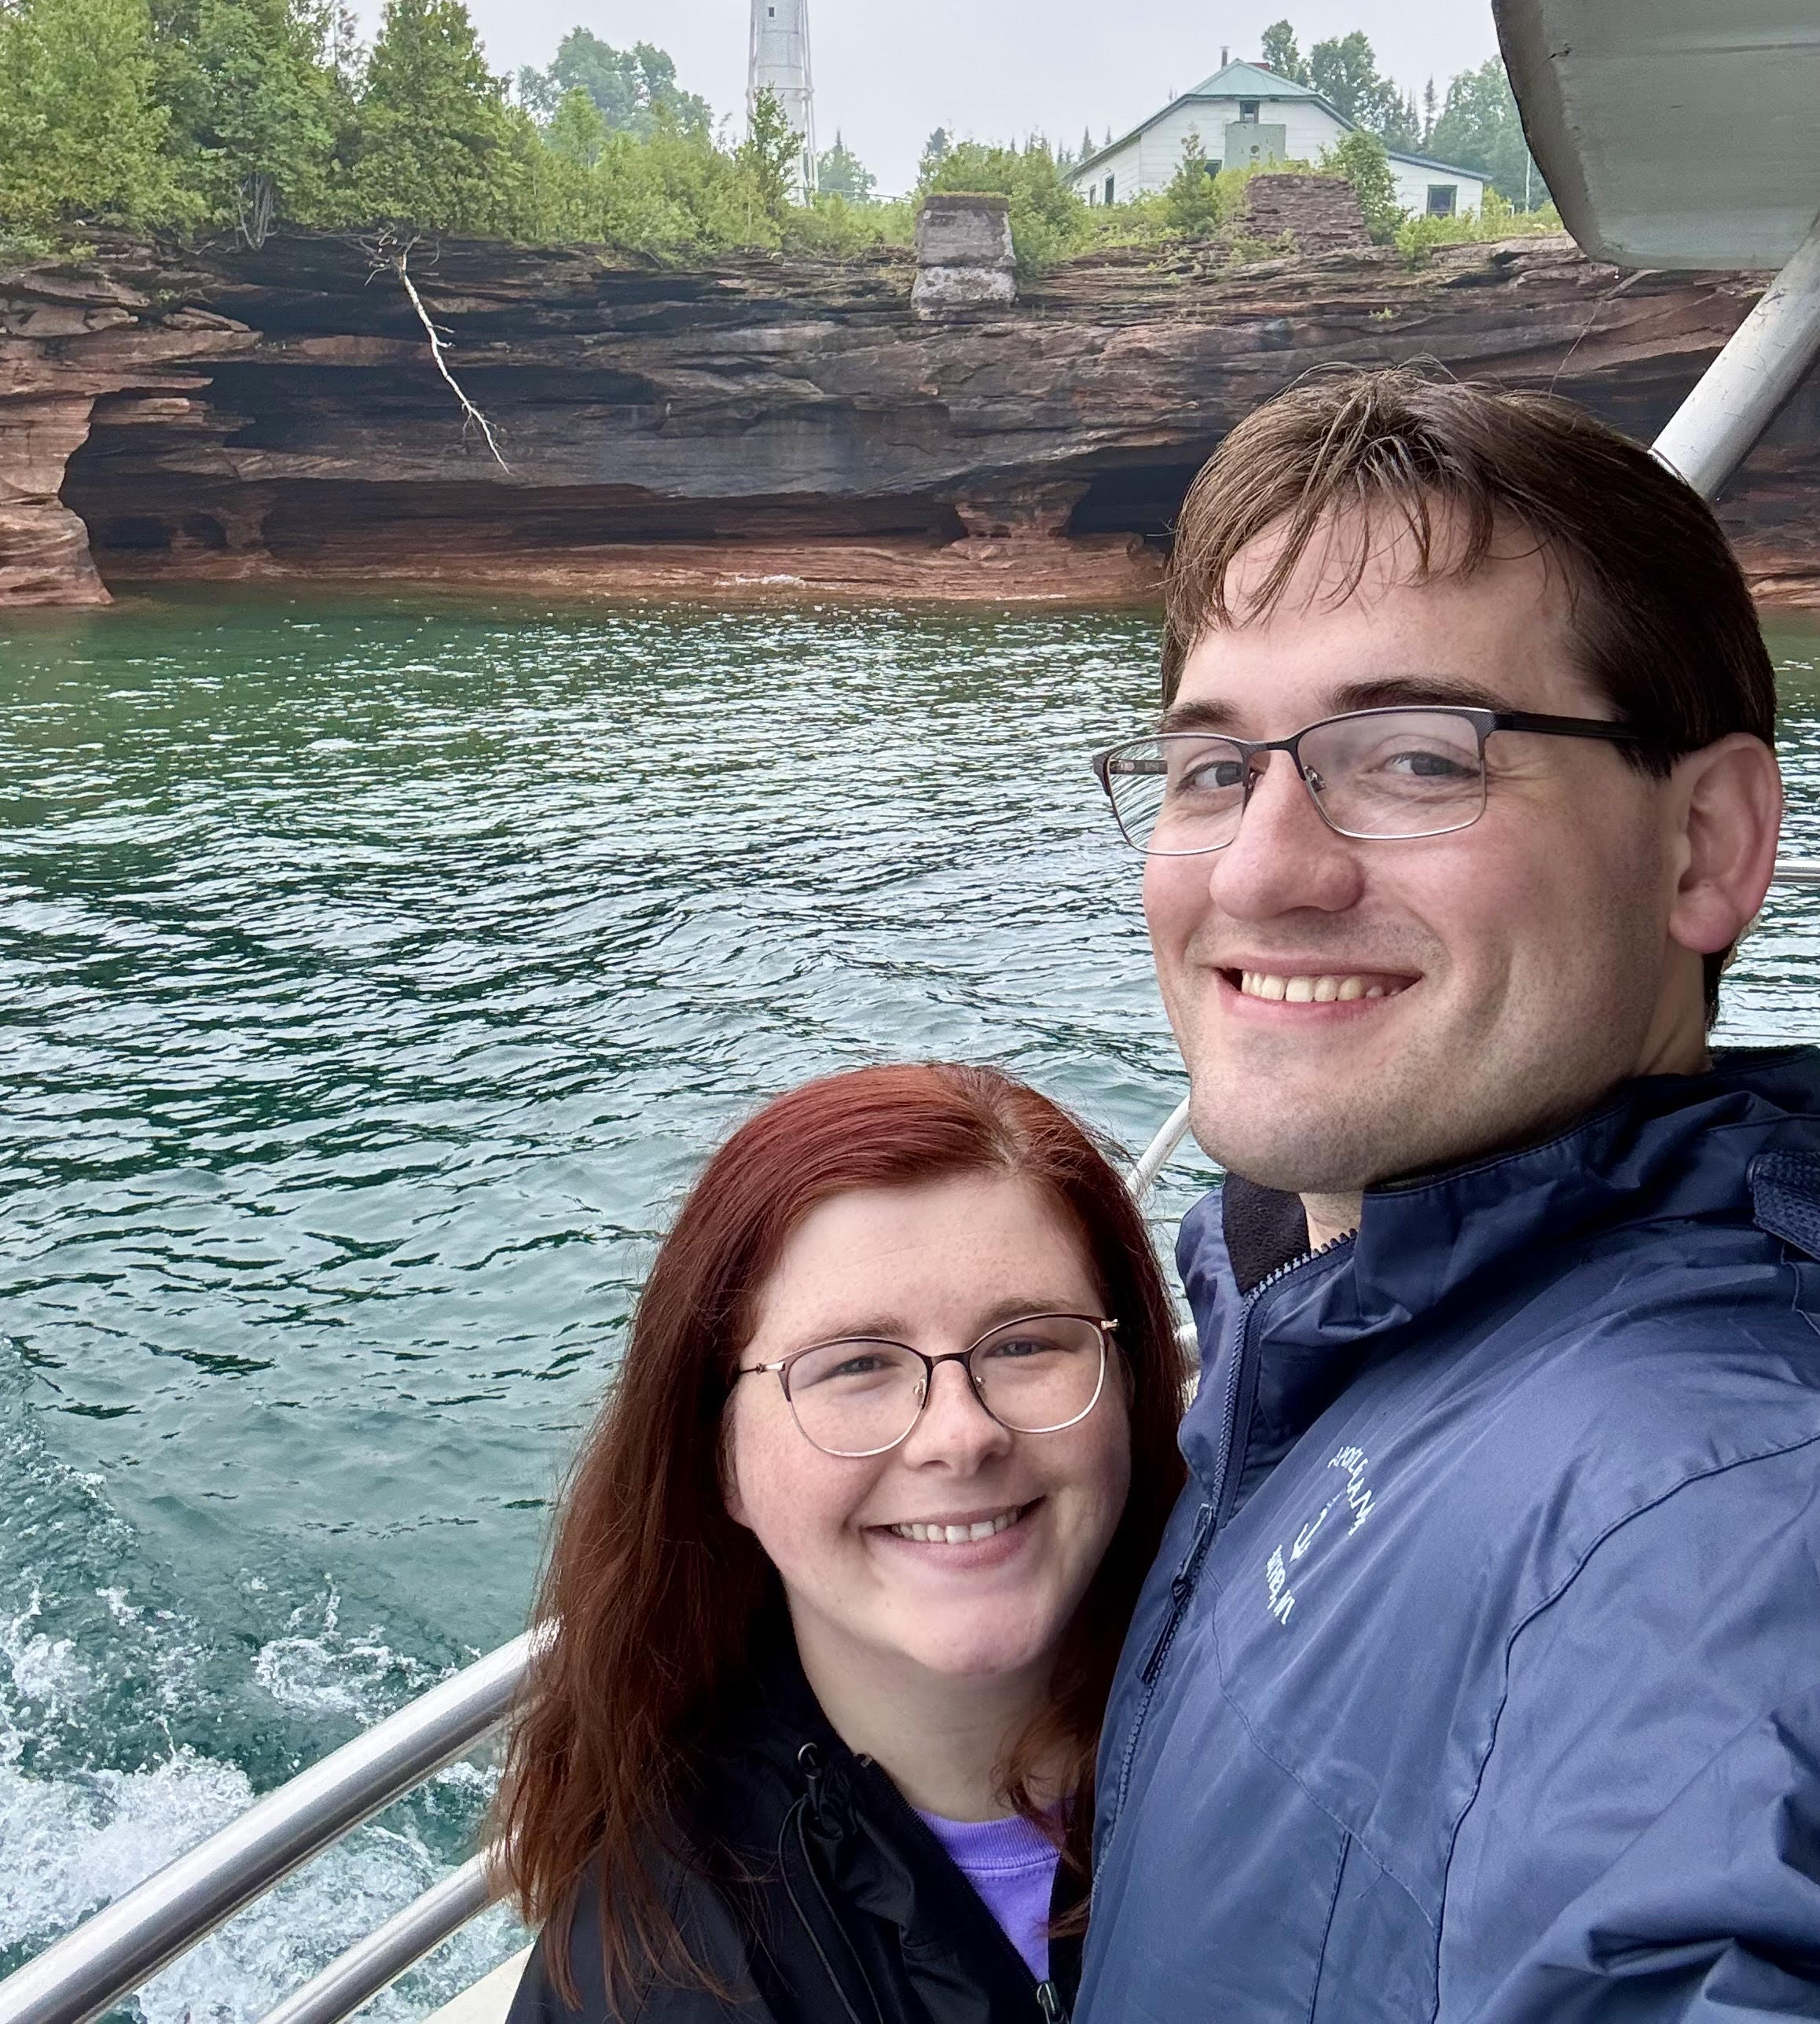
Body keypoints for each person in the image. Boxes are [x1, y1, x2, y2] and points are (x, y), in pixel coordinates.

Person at [1077, 369, 1820, 2021]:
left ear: (1708, 844)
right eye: (1212, 771)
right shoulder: (1313, 1313)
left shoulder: (1719, 1514)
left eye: (1415, 757)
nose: (1266, 867)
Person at [490, 1062, 1186, 2024]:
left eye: (1027, 1343)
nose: (960, 1434)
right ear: (718, 1458)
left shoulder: (1309, 1735)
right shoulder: (660, 1983)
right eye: (856, 1365)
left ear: (1132, 1383)